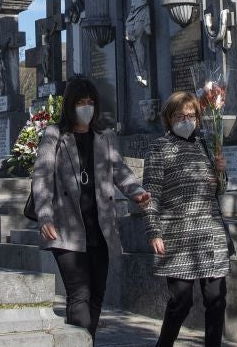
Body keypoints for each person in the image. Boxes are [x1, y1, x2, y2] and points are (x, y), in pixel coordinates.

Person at [31, 77, 152, 340]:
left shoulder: (104, 137)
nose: (86, 107)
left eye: (90, 102)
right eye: (80, 102)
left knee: (96, 296)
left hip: (100, 229)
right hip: (66, 228)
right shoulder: (55, 135)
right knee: (79, 296)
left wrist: (137, 192)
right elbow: (42, 176)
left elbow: (119, 170)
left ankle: (86, 342)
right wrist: (45, 216)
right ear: (70, 105)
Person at [141, 90, 229, 347]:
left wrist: (222, 173)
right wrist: (153, 231)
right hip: (178, 237)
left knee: (216, 299)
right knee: (181, 301)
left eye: (191, 116)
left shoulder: (205, 145)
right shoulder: (159, 148)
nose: (186, 120)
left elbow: (219, 190)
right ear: (169, 119)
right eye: (180, 116)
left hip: (210, 235)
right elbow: (150, 194)